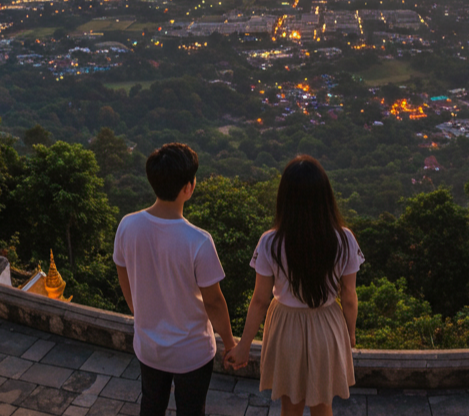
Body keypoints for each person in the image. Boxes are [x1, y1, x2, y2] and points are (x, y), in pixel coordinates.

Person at [227, 155, 363, 416]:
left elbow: (260, 300)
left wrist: (244, 345)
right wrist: (350, 332)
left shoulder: (270, 242)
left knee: (290, 406)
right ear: (325, 195)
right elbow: (348, 295)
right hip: (327, 324)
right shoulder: (344, 239)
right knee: (323, 404)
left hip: (285, 326)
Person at [113, 142, 236, 416]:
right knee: (192, 410)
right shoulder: (199, 241)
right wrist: (230, 343)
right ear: (188, 187)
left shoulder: (128, 226)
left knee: (151, 405)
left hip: (149, 345)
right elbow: (214, 301)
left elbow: (124, 275)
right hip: (192, 351)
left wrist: (140, 313)